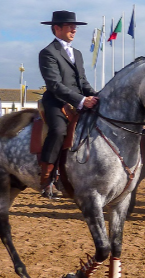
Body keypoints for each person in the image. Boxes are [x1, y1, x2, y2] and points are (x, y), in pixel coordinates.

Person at [39, 10, 98, 198]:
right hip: (56, 102)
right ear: (57, 28)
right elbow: (54, 84)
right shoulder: (48, 53)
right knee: (58, 131)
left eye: (75, 27)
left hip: (79, 102)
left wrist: (98, 96)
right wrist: (82, 100)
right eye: (70, 26)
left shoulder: (78, 54)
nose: (74, 29)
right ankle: (47, 179)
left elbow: (83, 82)